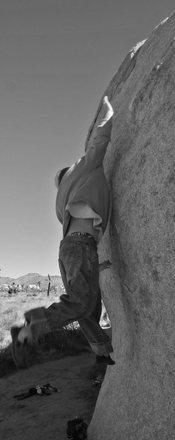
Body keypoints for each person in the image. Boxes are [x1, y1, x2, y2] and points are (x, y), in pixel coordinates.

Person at [11, 96, 115, 368]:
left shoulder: (64, 199)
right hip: (80, 247)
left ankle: (102, 351)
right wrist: (107, 111)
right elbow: (98, 143)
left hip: (71, 248)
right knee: (82, 303)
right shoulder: (84, 171)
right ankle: (30, 327)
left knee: (89, 306)